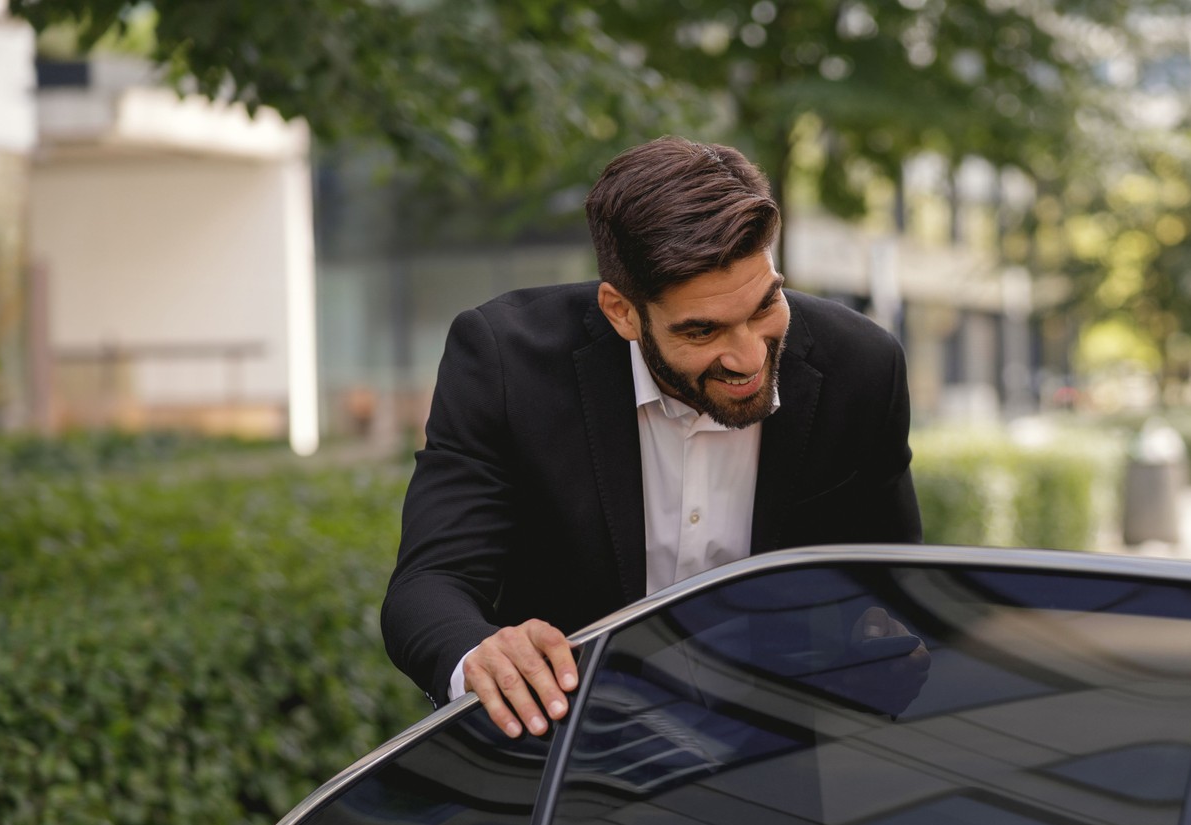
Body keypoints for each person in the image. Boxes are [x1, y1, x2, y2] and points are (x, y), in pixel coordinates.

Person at [382, 137, 922, 738]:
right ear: (621, 312)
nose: (748, 358)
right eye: (702, 331)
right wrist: (479, 655)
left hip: (780, 757)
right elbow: (430, 585)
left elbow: (897, 588)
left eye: (765, 305)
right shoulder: (505, 362)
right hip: (561, 759)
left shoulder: (862, 368)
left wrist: (893, 648)